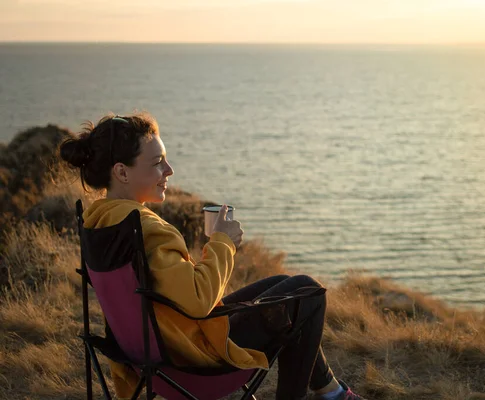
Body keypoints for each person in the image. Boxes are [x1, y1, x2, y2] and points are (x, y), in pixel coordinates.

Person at [60, 112, 364, 400]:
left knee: (288, 286)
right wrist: (222, 242)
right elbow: (198, 300)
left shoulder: (98, 222)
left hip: (148, 356)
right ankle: (328, 393)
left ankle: (331, 390)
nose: (169, 170)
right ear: (122, 172)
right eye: (157, 163)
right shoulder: (145, 228)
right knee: (308, 292)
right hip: (191, 362)